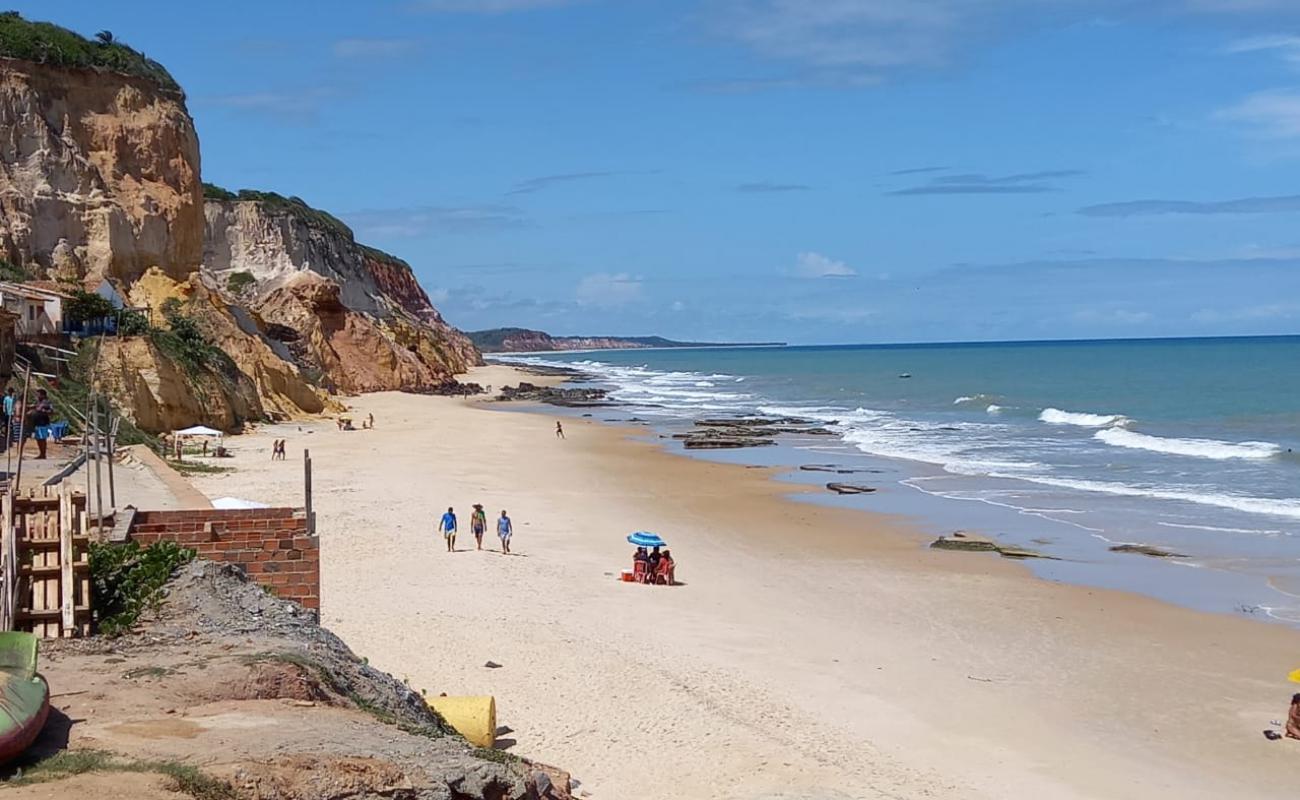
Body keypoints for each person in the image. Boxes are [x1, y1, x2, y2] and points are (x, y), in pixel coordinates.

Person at [29, 390, 52, 460]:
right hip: (37, 423)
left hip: (43, 423)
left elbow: (51, 411)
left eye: (38, 394)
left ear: (43, 395)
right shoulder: (38, 402)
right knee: (38, 439)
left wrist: (43, 411)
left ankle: (43, 454)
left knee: (42, 439)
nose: (37, 396)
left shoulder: (47, 403)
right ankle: (41, 453)